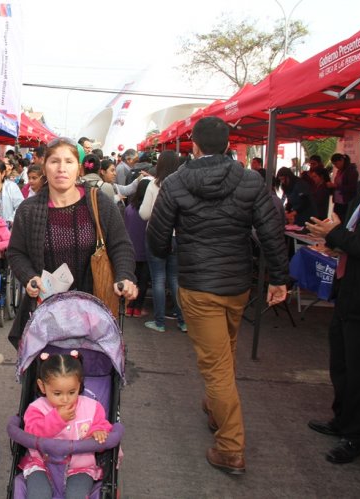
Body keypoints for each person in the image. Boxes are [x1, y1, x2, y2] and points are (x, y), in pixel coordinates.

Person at [147, 117, 288, 475]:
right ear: (228, 146)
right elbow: (271, 229)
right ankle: (214, 408)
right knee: (224, 354)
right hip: (237, 285)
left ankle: (230, 447)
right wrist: (279, 277)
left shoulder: (177, 182)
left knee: (217, 367)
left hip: (198, 284)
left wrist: (167, 252)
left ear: (194, 145)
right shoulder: (249, 179)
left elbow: (158, 239)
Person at [7, 138, 138, 346]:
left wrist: (124, 276)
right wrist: (29, 276)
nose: (61, 168)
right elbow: (16, 252)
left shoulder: (99, 203)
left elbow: (120, 245)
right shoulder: (29, 210)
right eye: (54, 161)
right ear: (44, 167)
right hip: (46, 314)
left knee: (93, 374)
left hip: (94, 313)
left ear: (79, 167)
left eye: (68, 161)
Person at [304, 137, 360, 465]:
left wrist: (336, 236)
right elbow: (352, 236)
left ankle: (356, 433)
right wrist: (336, 242)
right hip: (347, 289)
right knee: (341, 364)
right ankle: (341, 419)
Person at [18, 352, 112, 499]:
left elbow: (102, 424)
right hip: (41, 464)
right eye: (57, 393)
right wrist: (56, 419)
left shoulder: (92, 407)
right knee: (38, 494)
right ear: (42, 387)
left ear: (79, 385)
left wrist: (98, 431)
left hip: (80, 466)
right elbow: (31, 431)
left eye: (72, 392)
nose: (65, 399)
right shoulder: (36, 409)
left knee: (77, 495)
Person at [139, 151, 186, 333]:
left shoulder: (153, 185)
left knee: (158, 279)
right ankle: (182, 321)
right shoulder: (182, 185)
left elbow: (144, 213)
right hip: (177, 236)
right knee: (174, 279)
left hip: (156, 236)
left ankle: (159, 322)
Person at [123, 178, 152, 317]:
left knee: (131, 280)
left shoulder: (129, 208)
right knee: (143, 281)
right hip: (145, 250)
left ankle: (128, 307)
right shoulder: (150, 210)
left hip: (130, 251)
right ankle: (138, 309)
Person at [328, 153, 359, 221]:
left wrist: (336, 186)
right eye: (334, 164)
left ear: (342, 160)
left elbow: (352, 188)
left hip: (346, 201)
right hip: (338, 201)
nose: (336, 166)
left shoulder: (352, 171)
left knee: (343, 220)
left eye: (336, 163)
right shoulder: (339, 171)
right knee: (336, 220)